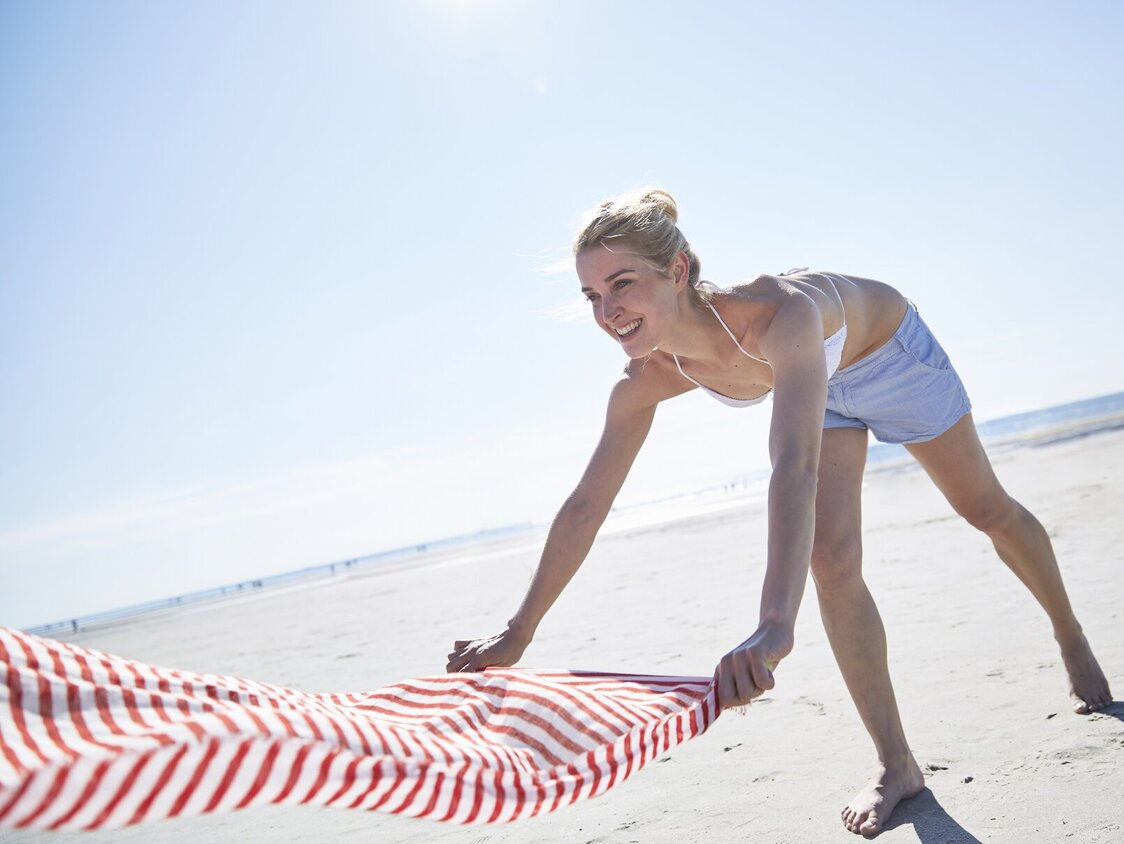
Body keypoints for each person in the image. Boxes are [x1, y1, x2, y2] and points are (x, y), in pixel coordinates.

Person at [446, 188, 1112, 836]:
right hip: (817, 390)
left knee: (985, 509)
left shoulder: (778, 314)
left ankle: (1070, 635)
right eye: (593, 295)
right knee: (832, 559)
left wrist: (773, 626)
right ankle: (898, 765)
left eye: (622, 284)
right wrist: (519, 630)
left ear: (676, 271)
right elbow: (587, 504)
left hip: (886, 356)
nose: (607, 310)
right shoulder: (646, 379)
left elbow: (794, 465)